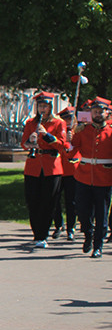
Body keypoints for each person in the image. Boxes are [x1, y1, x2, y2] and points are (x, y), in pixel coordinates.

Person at [20, 92, 67, 249]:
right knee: (33, 201)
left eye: (45, 106)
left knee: (48, 201)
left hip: (51, 166)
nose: (42, 109)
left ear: (50, 107)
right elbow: (23, 144)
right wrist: (31, 140)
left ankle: (43, 234)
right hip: (33, 166)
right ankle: (36, 233)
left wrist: (46, 135)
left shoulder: (58, 123)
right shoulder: (30, 123)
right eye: (40, 106)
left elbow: (62, 145)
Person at [67, 97, 112, 257]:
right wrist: (70, 139)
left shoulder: (111, 132)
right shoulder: (83, 130)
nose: (98, 114)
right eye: (95, 111)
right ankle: (88, 234)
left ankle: (98, 246)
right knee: (82, 210)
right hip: (84, 176)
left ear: (107, 114)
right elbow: (72, 151)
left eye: (101, 112)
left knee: (101, 214)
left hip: (104, 177)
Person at [52, 106, 77, 241]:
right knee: (55, 199)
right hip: (58, 169)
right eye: (66, 119)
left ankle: (71, 228)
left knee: (71, 201)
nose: (69, 122)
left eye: (71, 119)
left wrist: (72, 140)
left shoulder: (78, 133)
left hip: (72, 171)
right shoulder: (58, 132)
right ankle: (58, 225)